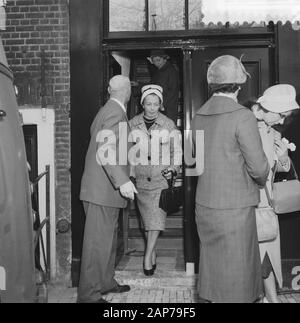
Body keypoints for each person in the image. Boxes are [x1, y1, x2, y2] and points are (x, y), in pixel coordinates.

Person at [191, 55, 270, 303]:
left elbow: (196, 162)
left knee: (212, 272)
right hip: (235, 208)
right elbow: (258, 168)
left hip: (204, 205)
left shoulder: (198, 116)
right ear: (238, 85)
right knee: (238, 276)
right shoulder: (242, 116)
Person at [78, 75, 138, 303]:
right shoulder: (115, 112)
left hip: (103, 191)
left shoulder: (106, 110)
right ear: (127, 92)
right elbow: (105, 149)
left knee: (106, 241)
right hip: (102, 191)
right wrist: (122, 180)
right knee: (96, 246)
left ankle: (105, 282)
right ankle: (89, 296)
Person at [251, 84, 300, 303]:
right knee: (252, 259)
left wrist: (282, 159)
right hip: (246, 204)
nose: (282, 122)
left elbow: (278, 168)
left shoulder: (273, 132)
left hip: (266, 206)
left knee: (268, 257)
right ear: (268, 107)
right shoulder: (244, 125)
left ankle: (272, 299)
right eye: (281, 115)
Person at [129, 84, 182, 276]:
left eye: (155, 104)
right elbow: (128, 152)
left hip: (160, 180)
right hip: (141, 181)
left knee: (155, 221)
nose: (151, 107)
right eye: (148, 103)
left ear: (161, 105)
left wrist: (173, 169)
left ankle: (147, 256)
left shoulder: (168, 124)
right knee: (147, 222)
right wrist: (131, 174)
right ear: (142, 103)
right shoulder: (132, 124)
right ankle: (152, 254)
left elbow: (177, 152)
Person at [149, 50, 180, 124]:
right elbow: (151, 86)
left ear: (164, 59)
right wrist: (138, 84)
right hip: (159, 106)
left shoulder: (171, 71)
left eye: (158, 60)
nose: (156, 63)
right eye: (154, 61)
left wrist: (163, 103)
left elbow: (173, 90)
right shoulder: (158, 72)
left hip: (168, 108)